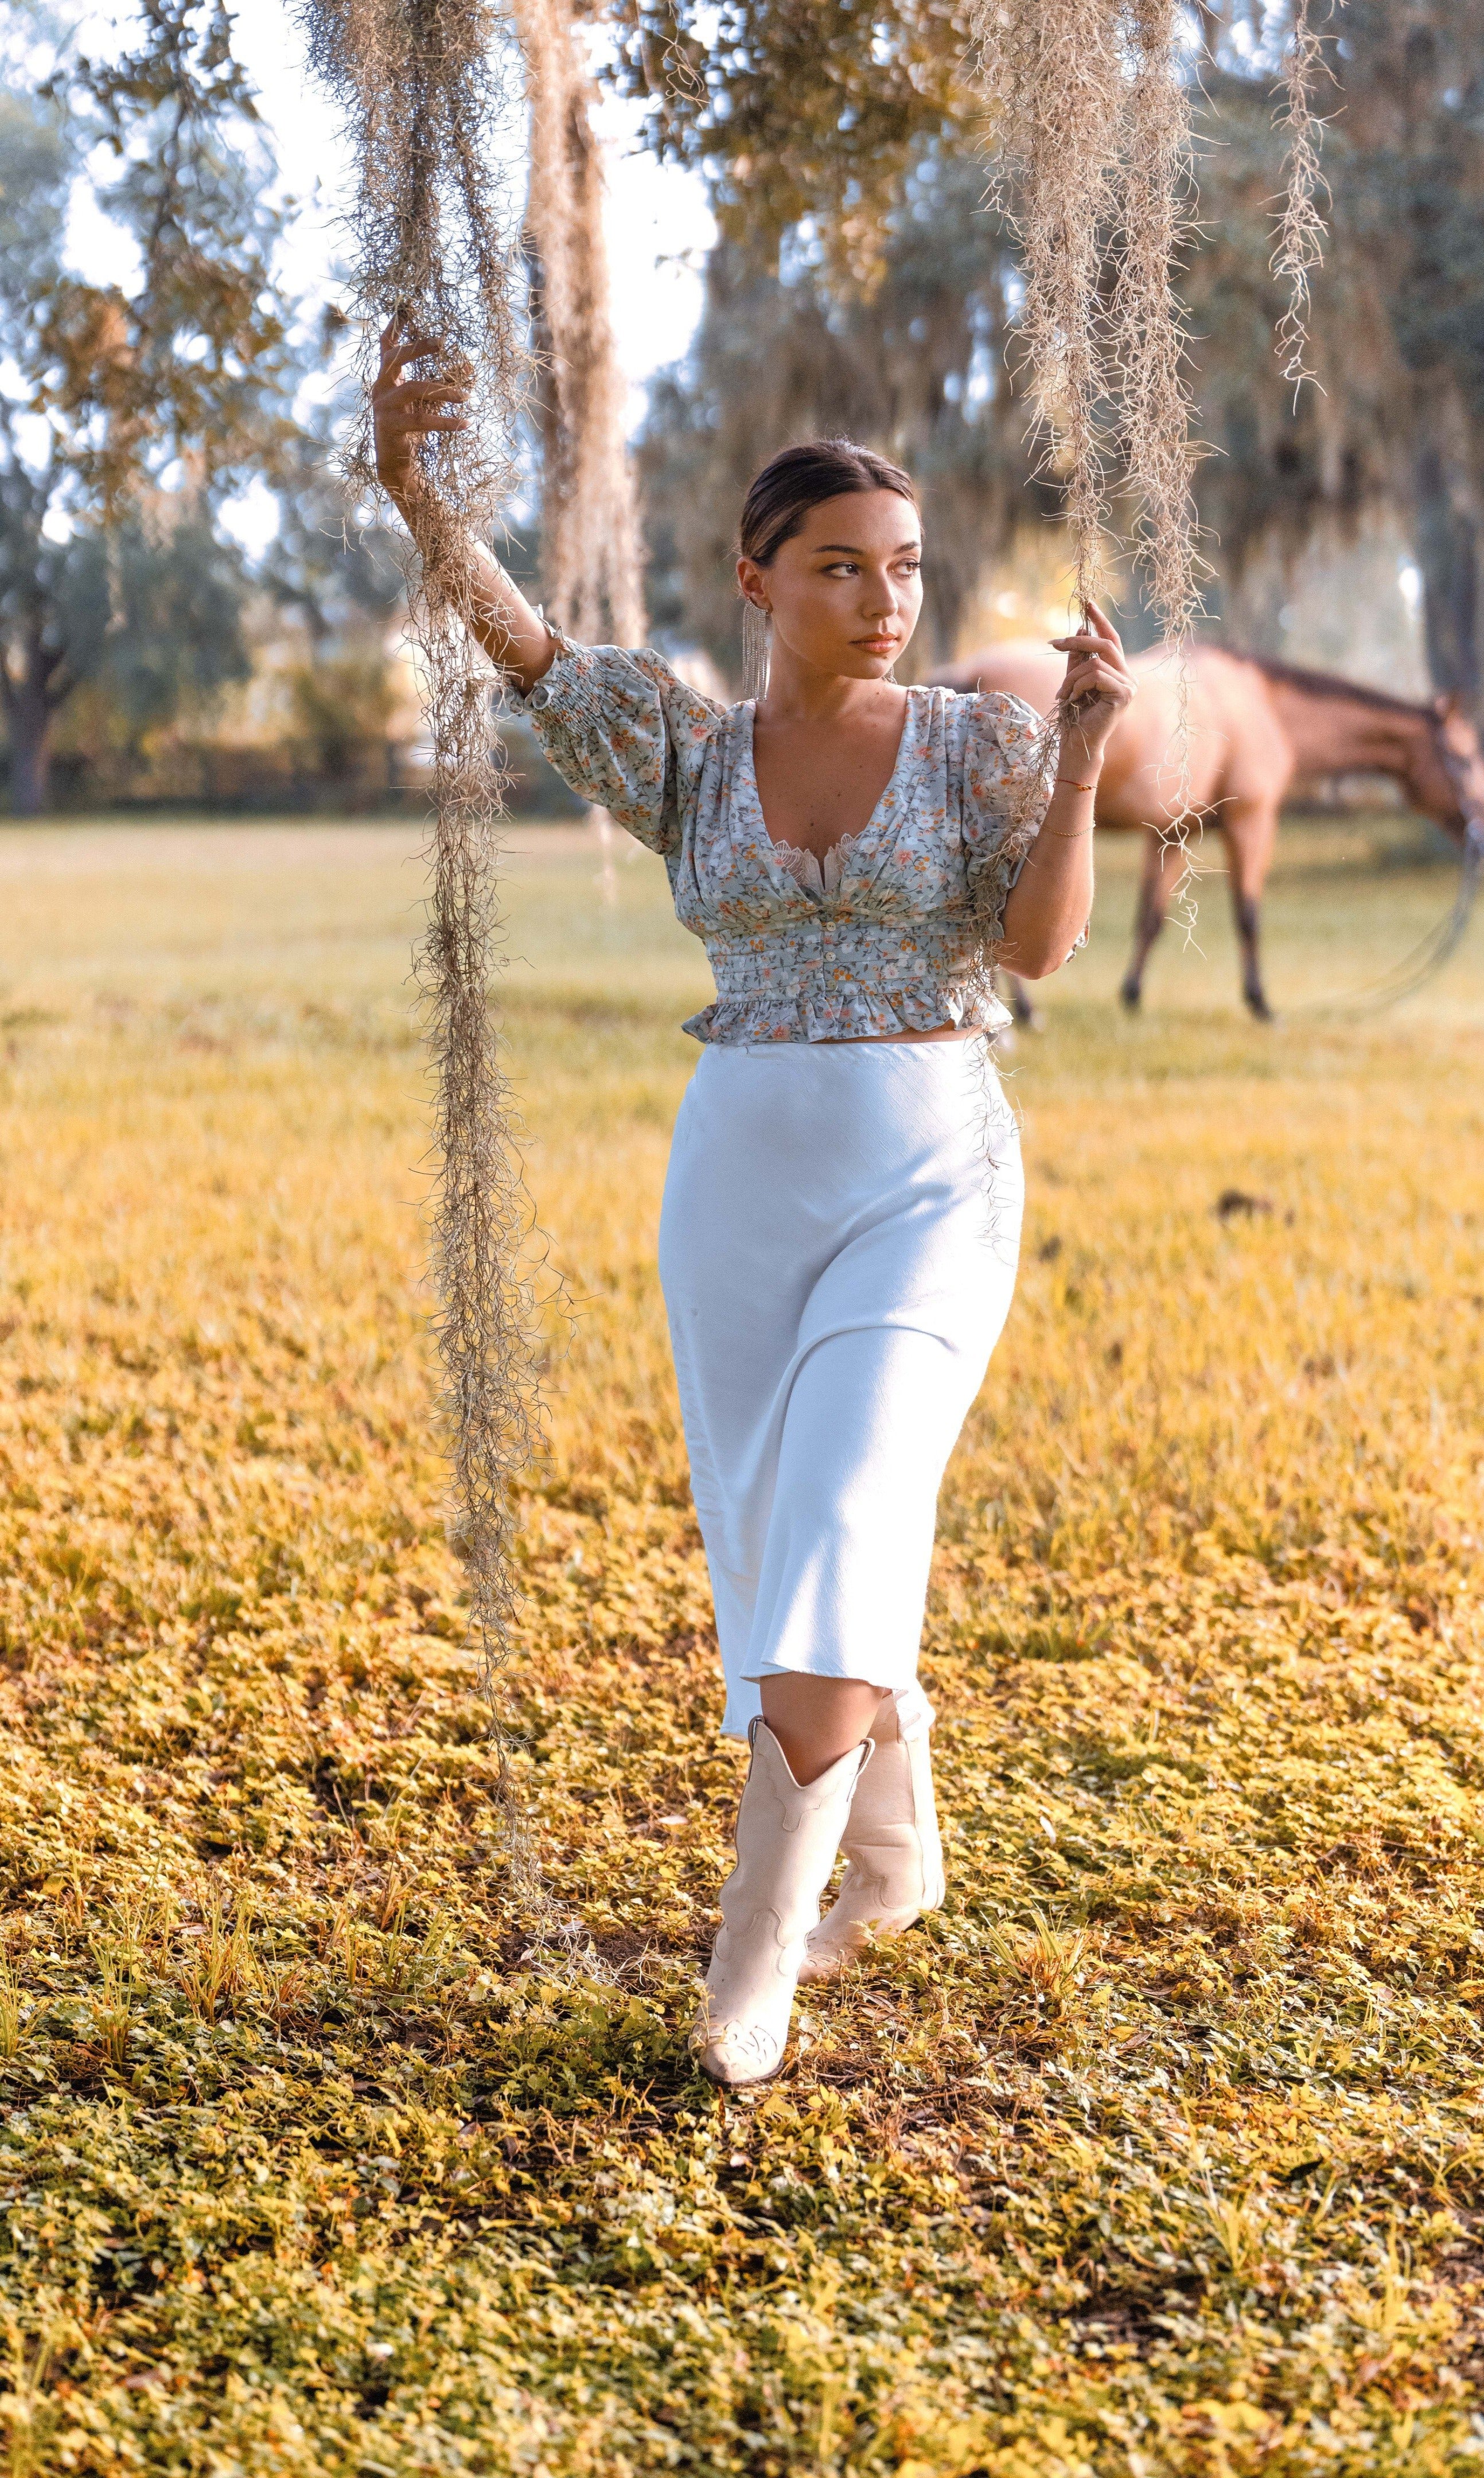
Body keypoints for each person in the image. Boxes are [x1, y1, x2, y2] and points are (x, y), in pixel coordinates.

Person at [371, 318, 1135, 2087]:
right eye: (841, 568)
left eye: (906, 567)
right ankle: (896, 1854)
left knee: (855, 1499)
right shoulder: (689, 755)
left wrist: (1085, 754)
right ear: (757, 579)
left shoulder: (977, 743)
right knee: (778, 1538)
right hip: (737, 1190)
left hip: (930, 1175)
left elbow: (1038, 948)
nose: (885, 599)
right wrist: (418, 497)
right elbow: (528, 648)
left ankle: (756, 1953)